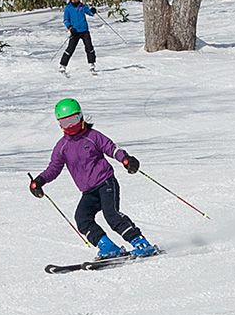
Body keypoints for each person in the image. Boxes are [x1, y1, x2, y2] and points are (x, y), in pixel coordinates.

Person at [29, 98, 158, 259]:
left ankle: (141, 243)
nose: (70, 126)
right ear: (59, 125)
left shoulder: (92, 136)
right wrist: (39, 181)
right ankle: (108, 247)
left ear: (81, 117)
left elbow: (112, 149)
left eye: (73, 120)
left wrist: (126, 159)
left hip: (106, 183)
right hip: (88, 191)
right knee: (82, 218)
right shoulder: (62, 147)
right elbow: (54, 168)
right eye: (65, 122)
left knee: (111, 215)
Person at [60, 0, 97, 75]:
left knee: (89, 47)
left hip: (84, 30)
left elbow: (90, 13)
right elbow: (66, 20)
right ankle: (63, 65)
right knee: (70, 48)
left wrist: (93, 11)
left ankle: (92, 64)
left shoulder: (82, 6)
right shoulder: (68, 8)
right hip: (75, 31)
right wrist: (70, 28)